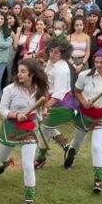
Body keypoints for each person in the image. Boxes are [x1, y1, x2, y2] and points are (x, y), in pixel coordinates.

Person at [0, 59, 49, 204]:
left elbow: (39, 110)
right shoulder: (10, 89)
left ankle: (29, 200)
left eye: (23, 71)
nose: (19, 74)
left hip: (29, 129)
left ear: (31, 74)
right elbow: (2, 110)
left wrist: (42, 114)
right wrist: (16, 114)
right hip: (11, 127)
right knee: (1, 155)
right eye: (19, 71)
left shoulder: (40, 89)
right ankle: (5, 163)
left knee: (27, 164)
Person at [66, 49, 102, 192]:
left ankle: (98, 180)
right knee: (77, 143)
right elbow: (76, 92)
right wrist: (84, 102)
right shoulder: (85, 75)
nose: (98, 65)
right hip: (84, 115)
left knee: (97, 147)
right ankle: (71, 153)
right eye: (96, 62)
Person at [35, 39, 77, 170]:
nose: (52, 55)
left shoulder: (61, 69)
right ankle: (66, 146)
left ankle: (40, 159)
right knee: (45, 128)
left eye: (56, 52)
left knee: (43, 129)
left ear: (63, 54)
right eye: (51, 51)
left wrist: (46, 106)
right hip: (53, 101)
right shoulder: (51, 63)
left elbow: (58, 94)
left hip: (64, 105)